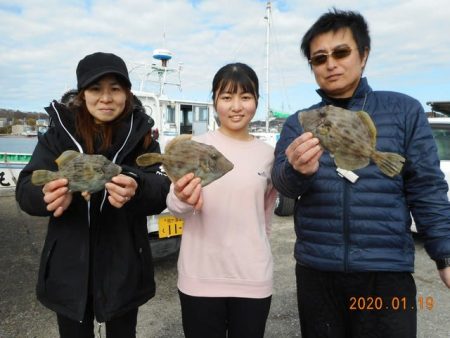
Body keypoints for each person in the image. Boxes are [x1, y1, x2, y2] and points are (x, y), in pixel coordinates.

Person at [271, 8, 450, 338]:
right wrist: (298, 171)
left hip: (385, 272)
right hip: (317, 271)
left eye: (341, 52)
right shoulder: (299, 120)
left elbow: (426, 187)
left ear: (363, 55)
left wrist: (445, 252)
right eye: (319, 58)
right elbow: (281, 181)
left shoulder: (404, 110)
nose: (331, 64)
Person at [16, 52, 171, 338]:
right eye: (95, 89)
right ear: (82, 94)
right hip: (69, 269)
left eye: (115, 88)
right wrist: (45, 196)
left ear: (127, 93)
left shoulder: (144, 136)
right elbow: (26, 188)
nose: (106, 98)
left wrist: (136, 186)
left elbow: (162, 189)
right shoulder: (57, 136)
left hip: (125, 267)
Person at [166, 62, 278, 338]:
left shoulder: (268, 154)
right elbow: (176, 207)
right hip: (199, 277)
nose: (236, 106)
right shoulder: (195, 146)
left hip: (253, 277)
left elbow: (264, 218)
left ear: (256, 101)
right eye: (227, 97)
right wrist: (181, 198)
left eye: (245, 97)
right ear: (214, 101)